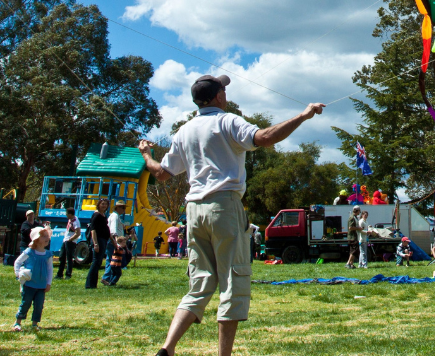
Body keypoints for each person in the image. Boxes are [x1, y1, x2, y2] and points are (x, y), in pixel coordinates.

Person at [138, 72, 325, 356]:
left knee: (199, 285)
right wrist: (303, 115)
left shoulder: (184, 131)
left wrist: (145, 155)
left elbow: (162, 174)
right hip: (224, 206)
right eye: (223, 90)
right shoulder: (228, 121)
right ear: (218, 96)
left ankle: (168, 348)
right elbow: (264, 138)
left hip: (193, 211)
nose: (226, 94)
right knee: (232, 283)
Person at [13, 225, 53, 330]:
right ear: (36, 239)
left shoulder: (48, 254)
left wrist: (48, 283)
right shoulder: (29, 252)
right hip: (29, 284)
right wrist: (18, 274)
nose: (47, 238)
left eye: (47, 236)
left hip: (41, 285)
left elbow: (50, 270)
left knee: (39, 305)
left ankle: (35, 324)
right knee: (26, 303)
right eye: (43, 236)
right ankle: (18, 322)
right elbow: (18, 262)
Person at [85, 198, 111, 289]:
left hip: (103, 240)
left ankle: (93, 284)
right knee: (96, 261)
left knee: (98, 262)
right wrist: (95, 243)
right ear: (99, 204)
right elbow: (93, 230)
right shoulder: (96, 215)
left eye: (106, 204)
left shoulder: (103, 215)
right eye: (102, 204)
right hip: (98, 240)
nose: (104, 206)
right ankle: (89, 284)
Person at [58, 206, 81, 279]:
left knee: (69, 258)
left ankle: (68, 274)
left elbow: (78, 233)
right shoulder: (70, 220)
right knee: (62, 257)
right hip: (65, 240)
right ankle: (59, 274)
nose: (66, 215)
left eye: (67, 214)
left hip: (70, 241)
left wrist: (70, 239)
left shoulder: (75, 221)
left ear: (70, 214)